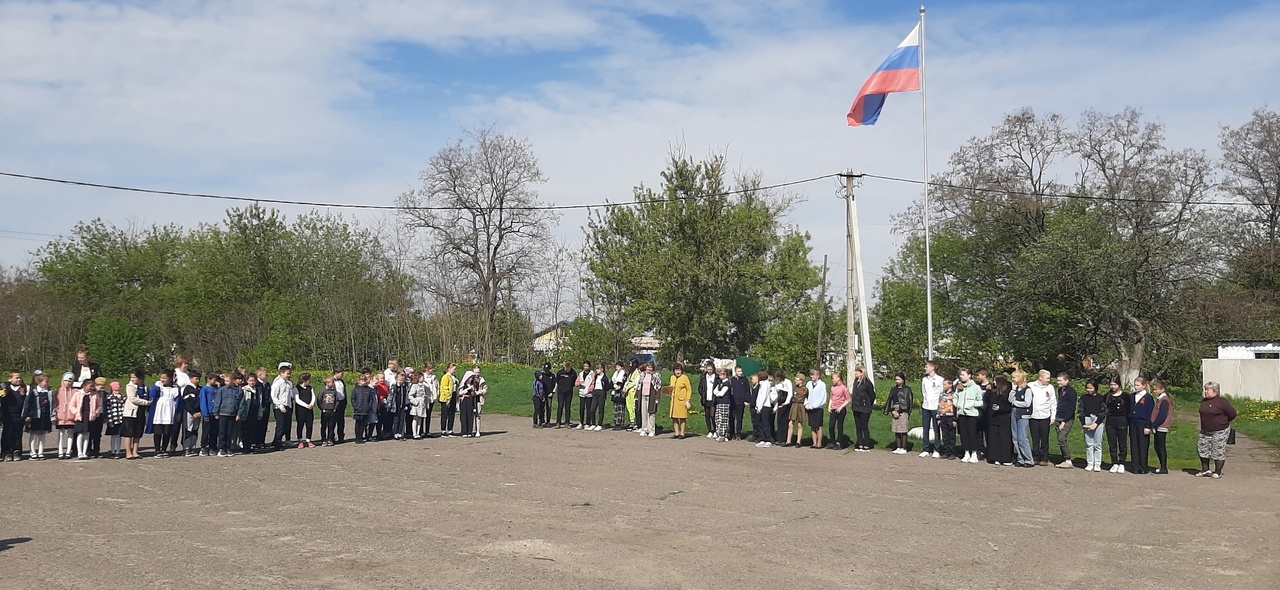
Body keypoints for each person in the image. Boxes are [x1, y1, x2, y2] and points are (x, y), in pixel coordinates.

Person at [1197, 382, 1236, 479]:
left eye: (1208, 390)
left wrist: (1223, 422)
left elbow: (1232, 414)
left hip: (1219, 430)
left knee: (1217, 450)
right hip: (1205, 430)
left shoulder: (1222, 402)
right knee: (1202, 448)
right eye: (1205, 389)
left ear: (1215, 391)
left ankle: (1218, 471)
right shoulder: (1204, 401)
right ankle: (1205, 469)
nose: (1206, 391)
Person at [1028, 369, 1057, 466]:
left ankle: (1044, 457)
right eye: (1047, 378)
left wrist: (1053, 416)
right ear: (1040, 377)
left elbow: (1053, 403)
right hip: (1033, 416)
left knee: (1044, 438)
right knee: (1035, 438)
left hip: (1045, 416)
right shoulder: (1031, 386)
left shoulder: (1050, 388)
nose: (1049, 380)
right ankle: (1035, 456)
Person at [215, 372, 249, 457]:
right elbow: (217, 401)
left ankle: (228, 447)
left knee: (230, 432)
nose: (226, 382)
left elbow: (241, 403)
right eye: (225, 381)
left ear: (233, 381)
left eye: (227, 381)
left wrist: (239, 414)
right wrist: (216, 412)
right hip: (223, 413)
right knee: (222, 431)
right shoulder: (221, 390)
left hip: (233, 414)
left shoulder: (239, 390)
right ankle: (222, 448)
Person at [149, 370, 181, 458]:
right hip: (159, 410)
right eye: (161, 378)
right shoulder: (158, 387)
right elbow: (152, 396)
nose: (162, 380)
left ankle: (164, 449)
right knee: (158, 431)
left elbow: (177, 401)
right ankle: (157, 450)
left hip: (169, 410)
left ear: (170, 378)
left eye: (165, 378)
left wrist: (177, 412)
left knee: (167, 431)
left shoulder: (175, 389)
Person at [23, 374, 55, 460]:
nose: (48, 383)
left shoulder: (49, 392)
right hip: (35, 416)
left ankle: (41, 452)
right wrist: (27, 415)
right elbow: (28, 404)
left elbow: (52, 404)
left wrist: (53, 415)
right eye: (46, 381)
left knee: (42, 435)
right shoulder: (33, 392)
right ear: (39, 382)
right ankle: (32, 452)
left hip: (45, 417)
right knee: (33, 435)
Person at [955, 369, 984, 463]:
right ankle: (966, 452)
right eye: (960, 375)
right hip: (961, 413)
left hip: (972, 414)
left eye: (963, 374)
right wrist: (958, 404)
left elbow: (980, 401)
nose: (961, 376)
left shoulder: (976, 388)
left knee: (972, 434)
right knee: (963, 434)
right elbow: (955, 397)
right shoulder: (959, 387)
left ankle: (974, 453)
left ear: (969, 375)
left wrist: (971, 404)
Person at [984, 374, 1014, 465]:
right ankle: (994, 457)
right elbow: (986, 400)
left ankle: (1005, 458)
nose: (993, 382)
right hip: (993, 418)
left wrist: (1000, 408)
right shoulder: (992, 391)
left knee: (1004, 438)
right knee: (993, 438)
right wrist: (988, 391)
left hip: (1003, 418)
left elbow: (1009, 406)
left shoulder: (1007, 391)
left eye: (995, 381)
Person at [1075, 380, 1105, 472]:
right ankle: (1090, 463)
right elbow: (1080, 410)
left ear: (1095, 388)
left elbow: (1103, 411)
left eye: (1091, 388)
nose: (1089, 390)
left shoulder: (1101, 398)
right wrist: (1083, 423)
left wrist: (1096, 423)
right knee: (1089, 444)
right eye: (1087, 388)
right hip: (1087, 419)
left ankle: (1097, 463)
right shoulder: (1083, 398)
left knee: (1097, 443)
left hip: (1097, 420)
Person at [72, 377, 104, 460]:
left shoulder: (95, 395)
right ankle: (79, 452)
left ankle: (85, 452)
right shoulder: (77, 394)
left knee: (87, 435)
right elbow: (71, 405)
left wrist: (95, 414)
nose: (92, 388)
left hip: (90, 417)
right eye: (90, 386)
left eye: (93, 386)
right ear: (85, 386)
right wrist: (76, 412)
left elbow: (99, 406)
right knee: (80, 434)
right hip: (80, 416)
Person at [1103, 377, 1131, 473]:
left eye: (1115, 385)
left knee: (1122, 443)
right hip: (1110, 421)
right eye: (1111, 385)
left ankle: (1122, 462)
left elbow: (1129, 409)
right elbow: (1104, 408)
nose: (1113, 387)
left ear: (1119, 385)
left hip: (1122, 420)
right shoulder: (1107, 395)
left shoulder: (1126, 396)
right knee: (1112, 443)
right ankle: (1114, 462)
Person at [1128, 377, 1154, 475]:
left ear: (1143, 386)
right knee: (1134, 444)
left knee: (1143, 445)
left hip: (1143, 423)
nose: (1136, 387)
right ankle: (1135, 466)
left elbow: (1150, 413)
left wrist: (1148, 426)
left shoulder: (1148, 398)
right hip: (1133, 422)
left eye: (1138, 385)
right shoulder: (1131, 396)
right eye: (1135, 385)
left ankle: (1143, 467)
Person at [1009, 370, 1034, 468]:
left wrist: (1016, 403)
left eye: (1015, 378)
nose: (1013, 380)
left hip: (1023, 415)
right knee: (1015, 437)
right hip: (1014, 413)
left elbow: (1027, 403)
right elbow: (1010, 399)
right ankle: (1020, 458)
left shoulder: (1027, 390)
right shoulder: (1015, 389)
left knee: (1022, 438)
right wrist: (1013, 390)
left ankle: (1029, 459)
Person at [122, 370, 149, 460]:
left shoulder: (145, 387)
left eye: (134, 377)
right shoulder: (130, 386)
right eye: (131, 377)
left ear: (140, 378)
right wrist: (147, 403)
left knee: (138, 433)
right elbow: (133, 399)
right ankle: (128, 453)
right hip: (131, 413)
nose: (132, 379)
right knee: (129, 433)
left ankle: (135, 451)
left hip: (141, 412)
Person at [0, 371, 27, 461]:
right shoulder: (5, 388)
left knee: (17, 434)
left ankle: (17, 452)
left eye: (20, 377)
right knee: (7, 433)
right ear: (10, 379)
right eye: (16, 378)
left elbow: (27, 402)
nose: (19, 379)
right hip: (7, 415)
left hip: (19, 415)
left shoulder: (24, 388)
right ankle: (6, 452)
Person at [919, 360, 944, 458]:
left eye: (926, 367)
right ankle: (926, 448)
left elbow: (941, 393)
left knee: (936, 428)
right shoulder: (925, 379)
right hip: (926, 406)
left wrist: (939, 405)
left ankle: (937, 449)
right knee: (925, 428)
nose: (925, 369)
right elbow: (924, 391)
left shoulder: (940, 379)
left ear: (932, 368)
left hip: (935, 407)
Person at [1053, 373, 1077, 469]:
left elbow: (1072, 408)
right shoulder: (1060, 390)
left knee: (1061, 438)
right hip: (1058, 417)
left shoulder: (1071, 392)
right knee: (1060, 439)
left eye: (1060, 380)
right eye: (1058, 380)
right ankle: (1064, 459)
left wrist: (1064, 421)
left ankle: (1068, 460)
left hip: (1067, 419)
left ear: (1066, 380)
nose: (1058, 382)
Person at [269, 362, 295, 451]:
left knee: (286, 425)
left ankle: (279, 441)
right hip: (279, 407)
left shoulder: (288, 383)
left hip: (287, 406)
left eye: (290, 373)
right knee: (280, 426)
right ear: (281, 373)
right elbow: (274, 396)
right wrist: (280, 406)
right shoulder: (277, 383)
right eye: (287, 373)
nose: (289, 375)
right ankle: (277, 443)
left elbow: (289, 395)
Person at [850, 367, 876, 452]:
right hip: (856, 407)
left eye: (857, 372)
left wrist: (868, 403)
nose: (855, 373)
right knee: (858, 427)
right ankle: (860, 443)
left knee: (864, 426)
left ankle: (866, 444)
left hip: (865, 408)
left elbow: (872, 395)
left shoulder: (867, 383)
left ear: (862, 373)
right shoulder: (855, 382)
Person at [1150, 380, 1173, 475]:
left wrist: (1154, 424)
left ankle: (1164, 467)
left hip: (1161, 426)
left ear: (1162, 389)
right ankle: (1162, 466)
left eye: (1156, 389)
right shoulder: (1161, 399)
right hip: (1158, 426)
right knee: (1157, 446)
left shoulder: (1164, 400)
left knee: (1160, 446)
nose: (1154, 391)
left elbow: (1162, 415)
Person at [179, 371, 203, 457]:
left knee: (195, 430)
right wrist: (192, 412)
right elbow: (186, 403)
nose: (198, 380)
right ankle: (186, 448)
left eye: (199, 379)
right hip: (189, 412)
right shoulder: (188, 389)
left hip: (198, 413)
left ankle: (193, 447)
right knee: (188, 429)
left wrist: (200, 412)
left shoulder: (200, 389)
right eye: (196, 379)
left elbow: (202, 402)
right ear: (190, 378)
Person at [55, 373, 78, 459]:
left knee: (70, 434)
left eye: (69, 381)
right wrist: (57, 413)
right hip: (61, 415)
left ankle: (68, 451)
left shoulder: (75, 391)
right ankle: (60, 451)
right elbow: (56, 403)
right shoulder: (58, 391)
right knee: (61, 434)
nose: (67, 383)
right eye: (66, 381)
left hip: (71, 416)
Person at [351, 370, 378, 443]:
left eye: (364, 381)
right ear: (359, 381)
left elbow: (371, 399)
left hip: (365, 409)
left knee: (363, 424)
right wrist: (355, 406)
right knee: (358, 424)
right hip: (358, 410)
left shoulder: (368, 390)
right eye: (362, 381)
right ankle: (357, 438)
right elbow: (353, 399)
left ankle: (361, 437)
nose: (363, 382)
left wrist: (369, 407)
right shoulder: (356, 389)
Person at [198, 374, 221, 457]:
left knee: (214, 431)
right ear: (208, 379)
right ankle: (203, 447)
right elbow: (203, 402)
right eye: (214, 380)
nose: (216, 381)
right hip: (208, 413)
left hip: (216, 413)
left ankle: (213, 446)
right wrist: (205, 414)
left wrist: (218, 387)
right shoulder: (204, 389)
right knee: (206, 431)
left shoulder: (216, 389)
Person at [826, 371, 850, 450]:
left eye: (833, 378)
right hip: (833, 408)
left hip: (841, 410)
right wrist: (829, 406)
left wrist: (841, 407)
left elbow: (848, 399)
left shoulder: (844, 388)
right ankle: (832, 441)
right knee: (831, 426)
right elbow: (832, 398)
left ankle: (839, 442)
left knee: (839, 426)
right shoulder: (833, 388)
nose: (832, 380)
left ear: (838, 378)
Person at [636, 363, 661, 437]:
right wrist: (636, 396)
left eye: (650, 367)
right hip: (643, 395)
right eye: (648, 367)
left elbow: (658, 387)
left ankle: (652, 430)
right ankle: (644, 429)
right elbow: (638, 385)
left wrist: (657, 398)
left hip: (652, 396)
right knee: (644, 413)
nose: (649, 369)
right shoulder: (642, 375)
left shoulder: (656, 375)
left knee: (651, 413)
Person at [784, 373, 809, 447]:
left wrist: (795, 397)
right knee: (791, 424)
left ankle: (798, 441)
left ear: (801, 380)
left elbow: (800, 397)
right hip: (794, 405)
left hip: (800, 406)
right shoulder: (795, 388)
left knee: (799, 424)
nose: (795, 381)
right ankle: (788, 441)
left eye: (797, 380)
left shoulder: (804, 389)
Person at [805, 369, 828, 450]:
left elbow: (822, 397)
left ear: (817, 376)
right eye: (811, 375)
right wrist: (807, 404)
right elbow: (806, 394)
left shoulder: (822, 384)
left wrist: (814, 405)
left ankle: (819, 443)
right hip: (809, 407)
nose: (812, 377)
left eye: (813, 375)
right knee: (812, 425)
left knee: (818, 426)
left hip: (818, 408)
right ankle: (814, 442)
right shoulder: (809, 384)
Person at [103, 381, 126, 459]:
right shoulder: (109, 397)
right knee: (113, 436)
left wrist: (121, 399)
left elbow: (124, 406)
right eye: (115, 390)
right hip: (113, 419)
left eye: (118, 390)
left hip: (120, 419)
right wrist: (109, 419)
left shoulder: (123, 397)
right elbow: (108, 409)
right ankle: (113, 451)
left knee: (119, 436)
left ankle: (118, 451)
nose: (117, 392)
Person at [729, 366, 752, 441]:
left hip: (741, 402)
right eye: (738, 371)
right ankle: (731, 433)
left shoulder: (745, 380)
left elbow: (747, 391)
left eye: (741, 371)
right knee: (731, 418)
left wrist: (746, 400)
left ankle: (738, 433)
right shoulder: (732, 380)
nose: (740, 373)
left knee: (739, 418)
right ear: (735, 371)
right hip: (733, 402)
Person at [669, 363, 692, 439]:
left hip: (682, 401)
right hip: (674, 401)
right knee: (674, 417)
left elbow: (689, 389)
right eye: (676, 370)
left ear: (682, 371)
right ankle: (676, 432)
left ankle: (682, 433)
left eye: (679, 370)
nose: (677, 372)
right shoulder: (672, 377)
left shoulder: (684, 378)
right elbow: (671, 387)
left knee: (682, 417)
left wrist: (688, 400)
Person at [753, 371, 774, 448]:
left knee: (765, 423)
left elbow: (764, 396)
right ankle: (762, 439)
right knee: (761, 423)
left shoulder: (766, 384)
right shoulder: (761, 384)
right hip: (760, 406)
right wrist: (757, 406)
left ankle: (768, 439)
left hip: (765, 406)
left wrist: (760, 407)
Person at [294, 373, 316, 448]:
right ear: (304, 380)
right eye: (309, 380)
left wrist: (311, 404)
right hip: (300, 410)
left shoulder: (310, 388)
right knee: (300, 425)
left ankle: (308, 440)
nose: (310, 381)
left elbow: (313, 396)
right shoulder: (296, 388)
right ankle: (300, 440)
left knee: (309, 425)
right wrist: (306, 405)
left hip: (310, 410)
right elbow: (297, 399)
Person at [937, 381, 958, 460]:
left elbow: (956, 407)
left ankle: (952, 452)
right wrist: (938, 417)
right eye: (943, 384)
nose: (944, 386)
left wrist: (955, 419)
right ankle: (946, 452)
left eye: (945, 384)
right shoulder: (942, 394)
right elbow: (939, 405)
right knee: (945, 435)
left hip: (951, 417)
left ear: (950, 385)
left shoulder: (954, 395)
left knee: (951, 435)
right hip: (943, 416)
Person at [772, 370, 793, 445]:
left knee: (785, 421)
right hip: (780, 402)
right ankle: (779, 438)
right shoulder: (777, 384)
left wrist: (787, 402)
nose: (777, 379)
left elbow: (790, 392)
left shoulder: (787, 382)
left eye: (778, 377)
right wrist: (775, 406)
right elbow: (776, 395)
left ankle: (784, 438)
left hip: (786, 402)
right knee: (779, 420)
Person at [697, 362, 717, 438]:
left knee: (712, 415)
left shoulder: (716, 377)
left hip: (713, 398)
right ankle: (710, 431)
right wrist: (703, 394)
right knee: (707, 415)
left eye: (710, 369)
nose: (709, 371)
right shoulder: (703, 377)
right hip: (706, 398)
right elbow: (700, 388)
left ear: (713, 369)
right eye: (708, 369)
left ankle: (715, 430)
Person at [318, 376, 340, 446]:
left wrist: (335, 408)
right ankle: (324, 439)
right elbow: (319, 400)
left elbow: (337, 400)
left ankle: (330, 439)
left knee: (331, 426)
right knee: (324, 426)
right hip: (325, 411)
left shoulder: (334, 391)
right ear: (327, 383)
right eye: (332, 382)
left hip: (332, 411)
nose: (333, 384)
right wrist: (322, 408)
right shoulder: (323, 391)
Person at [388, 371, 409, 440]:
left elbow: (406, 396)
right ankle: (395, 433)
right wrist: (389, 405)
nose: (401, 381)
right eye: (399, 380)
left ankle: (401, 433)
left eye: (402, 380)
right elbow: (391, 396)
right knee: (396, 420)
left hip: (403, 406)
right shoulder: (394, 387)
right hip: (395, 406)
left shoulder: (405, 387)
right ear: (396, 379)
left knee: (402, 420)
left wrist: (407, 404)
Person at [712, 368, 732, 442]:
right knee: (718, 418)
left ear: (726, 375)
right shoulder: (720, 383)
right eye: (720, 374)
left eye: (722, 374)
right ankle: (719, 433)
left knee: (724, 419)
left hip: (725, 403)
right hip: (719, 403)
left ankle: (723, 435)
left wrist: (717, 393)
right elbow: (714, 391)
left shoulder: (727, 383)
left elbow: (721, 393)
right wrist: (717, 393)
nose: (720, 376)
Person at [555, 362, 576, 429]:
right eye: (566, 368)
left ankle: (567, 422)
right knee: (560, 406)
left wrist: (569, 387)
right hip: (561, 392)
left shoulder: (573, 373)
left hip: (569, 393)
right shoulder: (560, 373)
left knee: (568, 408)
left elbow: (574, 382)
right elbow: (557, 381)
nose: (567, 370)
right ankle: (558, 422)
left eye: (568, 369)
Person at [439, 363, 457, 437]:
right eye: (454, 369)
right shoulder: (446, 377)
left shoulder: (453, 377)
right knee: (445, 414)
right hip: (446, 398)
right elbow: (445, 388)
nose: (455, 370)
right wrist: (448, 398)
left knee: (451, 413)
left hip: (453, 395)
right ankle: (443, 430)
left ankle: (450, 429)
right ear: (449, 369)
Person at [538, 363, 557, 429]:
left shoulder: (553, 375)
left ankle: (548, 421)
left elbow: (555, 384)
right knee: (542, 408)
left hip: (549, 394)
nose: (546, 371)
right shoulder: (541, 375)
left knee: (548, 408)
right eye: (545, 370)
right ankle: (542, 421)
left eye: (547, 369)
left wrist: (552, 392)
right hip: (542, 394)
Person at [610, 362, 629, 431]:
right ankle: (616, 422)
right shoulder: (615, 374)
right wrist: (613, 385)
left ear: (622, 367)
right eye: (616, 366)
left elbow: (624, 382)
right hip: (615, 392)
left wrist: (619, 386)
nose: (617, 368)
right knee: (616, 408)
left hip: (621, 393)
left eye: (618, 366)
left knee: (621, 409)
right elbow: (612, 382)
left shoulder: (624, 374)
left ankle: (621, 423)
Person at [591, 362, 609, 430]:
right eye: (596, 369)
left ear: (602, 369)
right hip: (596, 392)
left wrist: (604, 385)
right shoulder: (596, 376)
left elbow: (607, 387)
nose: (597, 370)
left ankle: (599, 424)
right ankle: (593, 423)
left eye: (598, 369)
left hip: (601, 392)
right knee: (592, 409)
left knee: (601, 409)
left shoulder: (605, 378)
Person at [577, 361, 595, 430]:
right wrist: (579, 384)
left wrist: (590, 389)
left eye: (587, 366)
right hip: (582, 393)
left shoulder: (592, 374)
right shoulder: (581, 374)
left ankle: (587, 423)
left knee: (588, 408)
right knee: (581, 408)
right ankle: (581, 422)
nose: (585, 367)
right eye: (584, 366)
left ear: (589, 367)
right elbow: (577, 382)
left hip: (589, 394)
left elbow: (593, 382)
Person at [332, 369, 348, 443]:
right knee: (333, 421)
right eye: (341, 374)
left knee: (341, 421)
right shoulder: (331, 381)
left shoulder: (341, 381)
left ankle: (341, 436)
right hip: (335, 403)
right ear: (336, 373)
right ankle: (331, 437)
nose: (342, 375)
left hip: (342, 402)